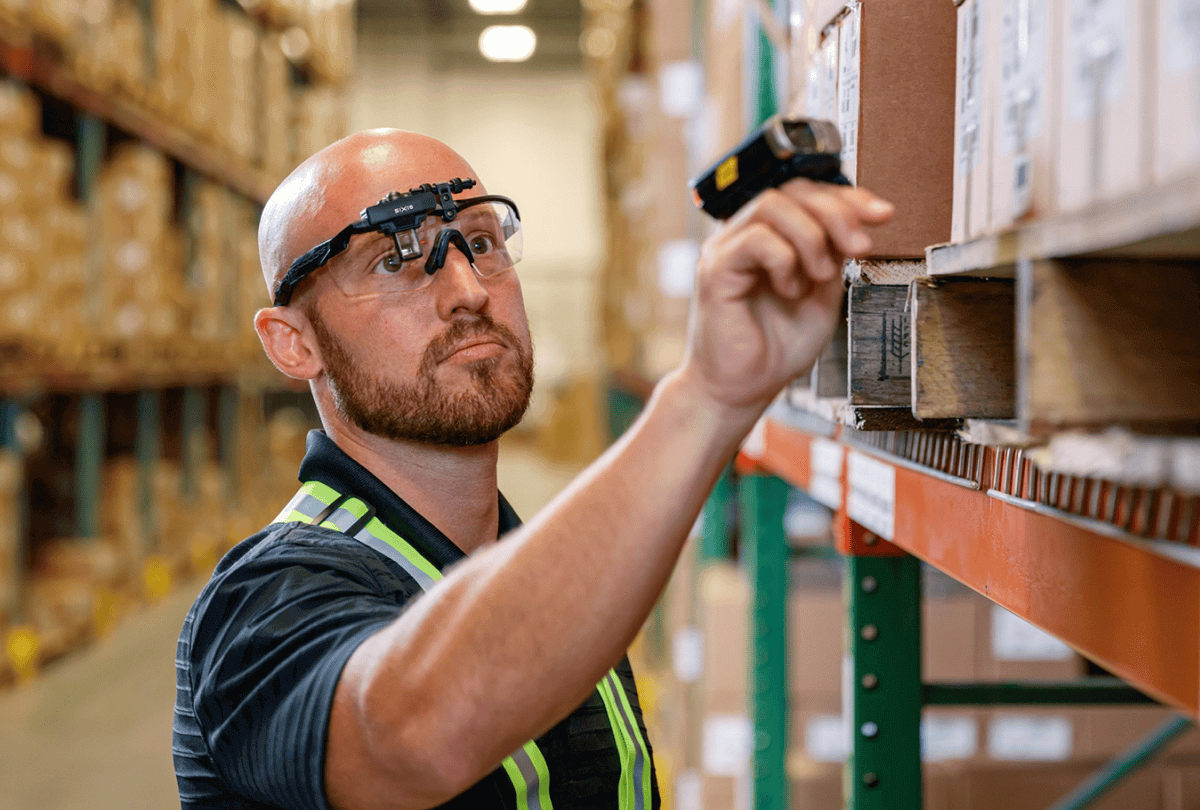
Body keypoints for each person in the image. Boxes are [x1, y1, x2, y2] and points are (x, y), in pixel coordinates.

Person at [172, 128, 893, 810]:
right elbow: (407, 737)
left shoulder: (542, 569)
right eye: (395, 258)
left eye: (481, 243)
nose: (468, 289)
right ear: (293, 344)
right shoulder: (263, 600)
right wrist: (705, 398)